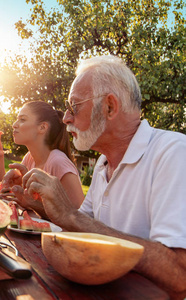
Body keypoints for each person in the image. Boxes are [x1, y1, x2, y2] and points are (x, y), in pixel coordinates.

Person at [19, 55, 186, 298]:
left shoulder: (173, 152)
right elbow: (80, 226)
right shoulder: (102, 164)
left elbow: (179, 275)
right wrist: (35, 203)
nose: (65, 118)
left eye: (74, 106)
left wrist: (70, 215)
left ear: (110, 107)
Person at [0, 101, 84, 216]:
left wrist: (32, 203)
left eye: (22, 119)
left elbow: (79, 218)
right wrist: (0, 156)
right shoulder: (30, 157)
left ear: (42, 127)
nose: (14, 124)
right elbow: (4, 190)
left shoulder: (58, 162)